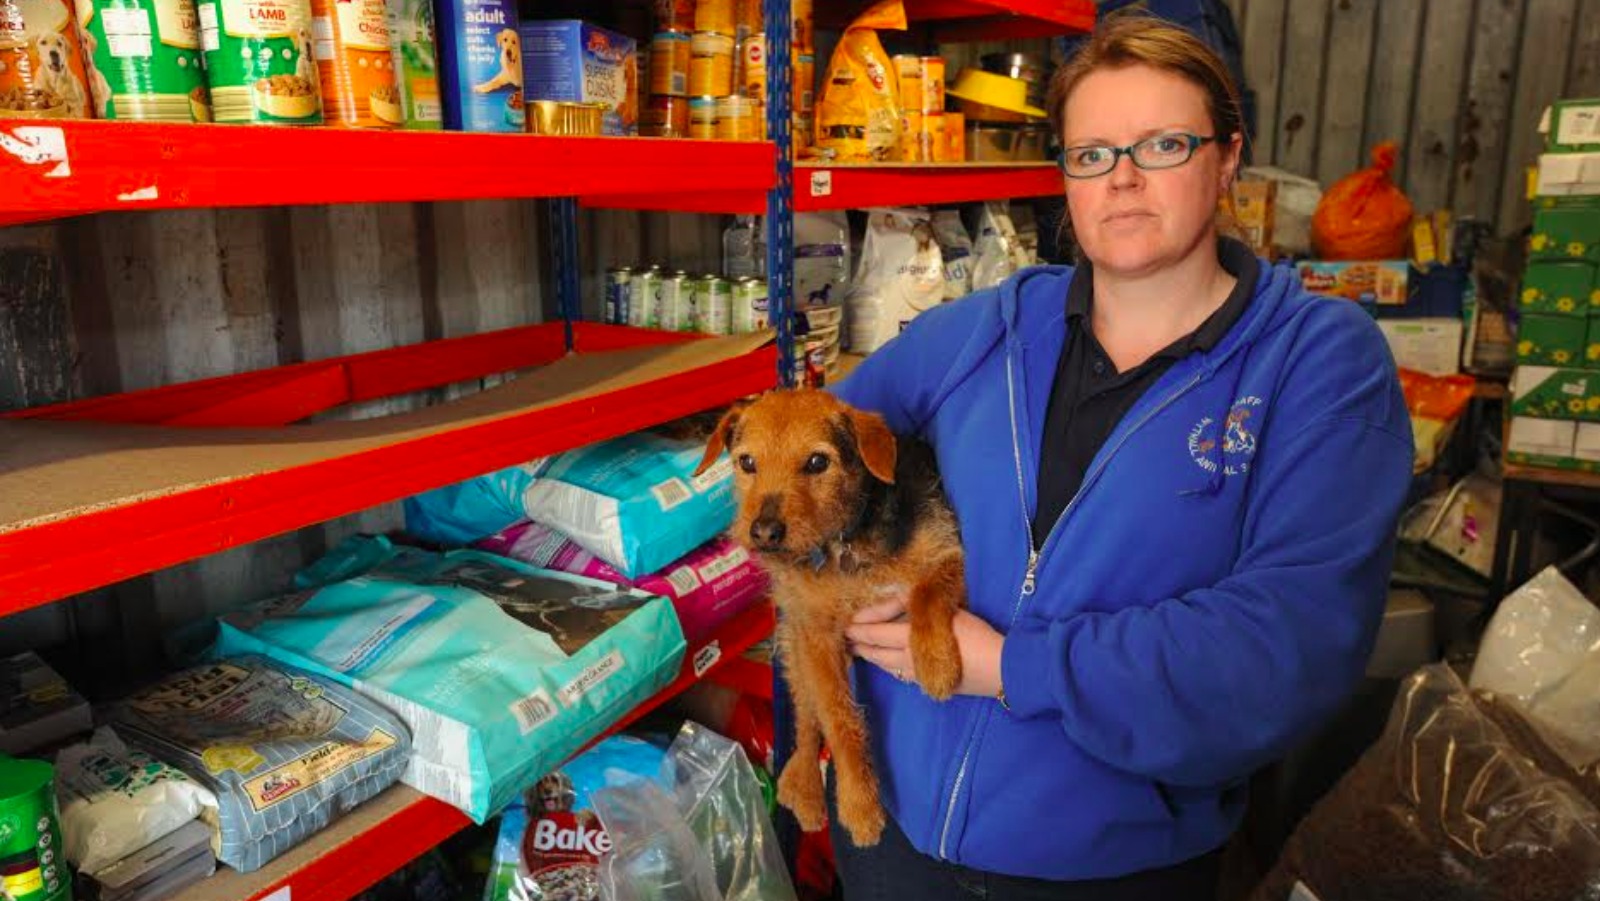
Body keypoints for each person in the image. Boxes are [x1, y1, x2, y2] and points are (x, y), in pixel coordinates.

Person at [829, 15, 1413, 901]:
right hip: (891, 841)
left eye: (1163, 145)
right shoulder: (990, 329)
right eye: (1091, 153)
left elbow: (1286, 643)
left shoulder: (1317, 362)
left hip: (1111, 870)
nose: (1123, 178)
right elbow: (815, 439)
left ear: (1228, 158)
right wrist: (838, 573)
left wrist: (1009, 666)